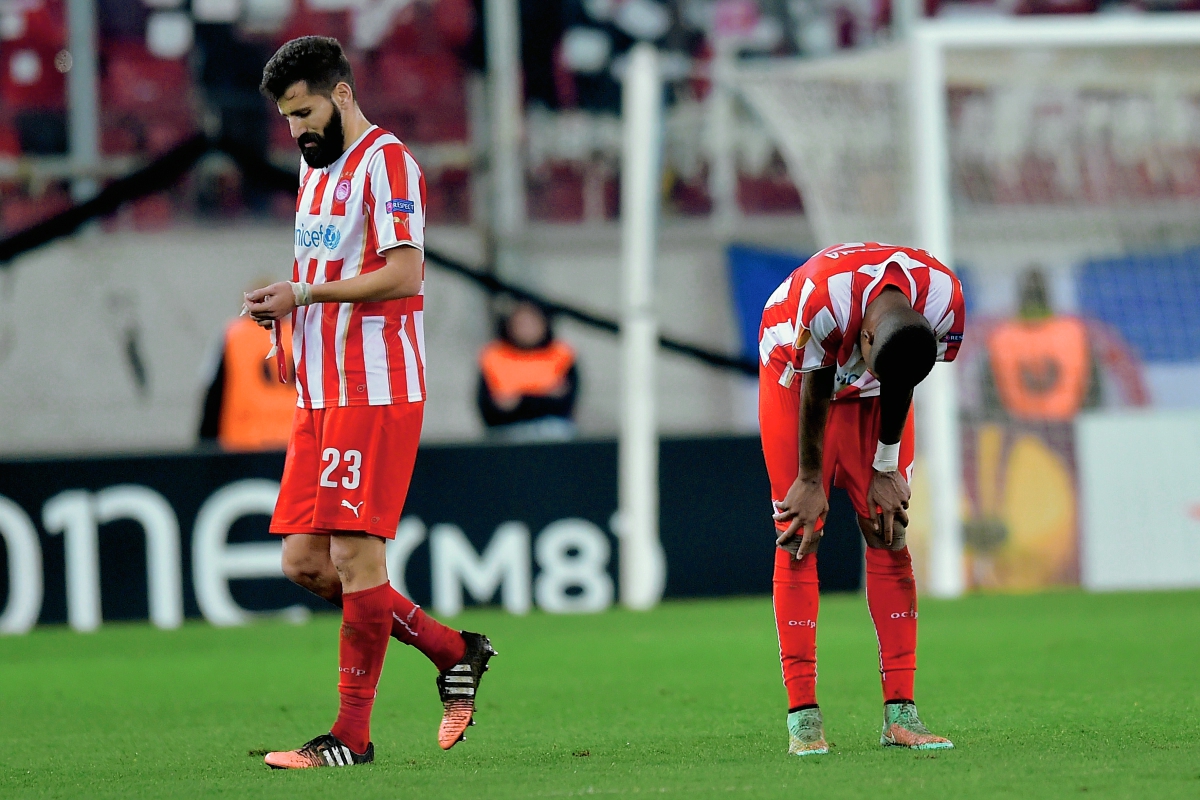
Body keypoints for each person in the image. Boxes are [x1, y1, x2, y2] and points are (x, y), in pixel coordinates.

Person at [243, 36, 495, 770]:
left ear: (342, 94)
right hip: (321, 390)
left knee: (355, 557)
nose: (297, 129)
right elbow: (317, 264)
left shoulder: (389, 164)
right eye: (288, 118)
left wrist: (308, 294)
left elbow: (405, 275)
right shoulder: (313, 166)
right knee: (305, 563)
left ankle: (350, 738)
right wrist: (285, 318)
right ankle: (455, 649)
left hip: (375, 387)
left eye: (305, 111)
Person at [758, 242, 965, 756]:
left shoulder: (945, 301)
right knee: (799, 533)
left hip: (876, 395)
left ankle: (902, 716)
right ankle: (803, 717)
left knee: (888, 529)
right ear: (864, 336)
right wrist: (809, 479)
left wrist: (887, 465)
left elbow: (903, 375)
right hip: (796, 377)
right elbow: (818, 379)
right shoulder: (827, 300)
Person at [197, 289, 295, 451]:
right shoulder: (299, 334)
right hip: (292, 443)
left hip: (242, 445)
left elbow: (213, 396)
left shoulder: (232, 336)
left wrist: (204, 447)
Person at [477, 300, 579, 440]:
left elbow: (565, 403)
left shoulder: (561, 354)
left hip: (552, 429)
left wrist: (520, 399)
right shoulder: (494, 356)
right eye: (521, 324)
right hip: (507, 431)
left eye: (532, 324)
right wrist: (544, 393)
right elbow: (491, 408)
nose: (526, 330)